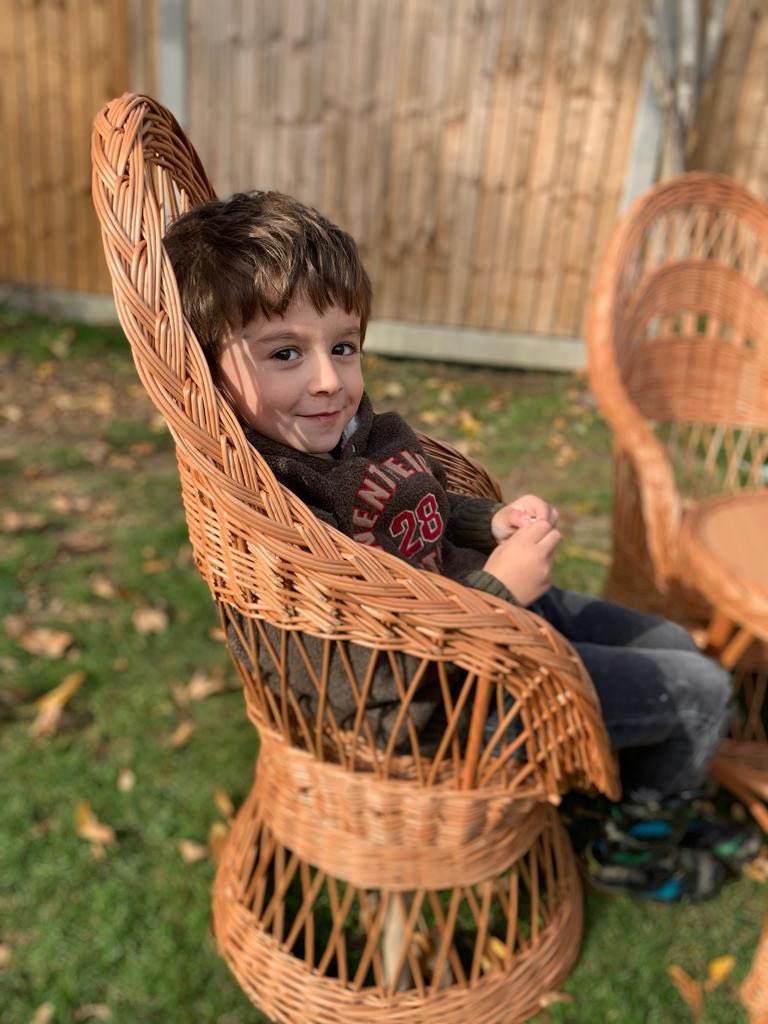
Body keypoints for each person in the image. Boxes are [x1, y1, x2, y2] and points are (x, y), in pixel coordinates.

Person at [163, 190, 759, 902]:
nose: (330, 380)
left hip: (493, 614)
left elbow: (421, 504)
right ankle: (637, 846)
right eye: (285, 353)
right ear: (206, 376)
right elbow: (374, 679)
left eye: (343, 346)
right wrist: (502, 589)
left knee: (675, 642)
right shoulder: (280, 520)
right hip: (460, 704)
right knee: (704, 689)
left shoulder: (346, 437)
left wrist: (489, 524)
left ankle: (646, 790)